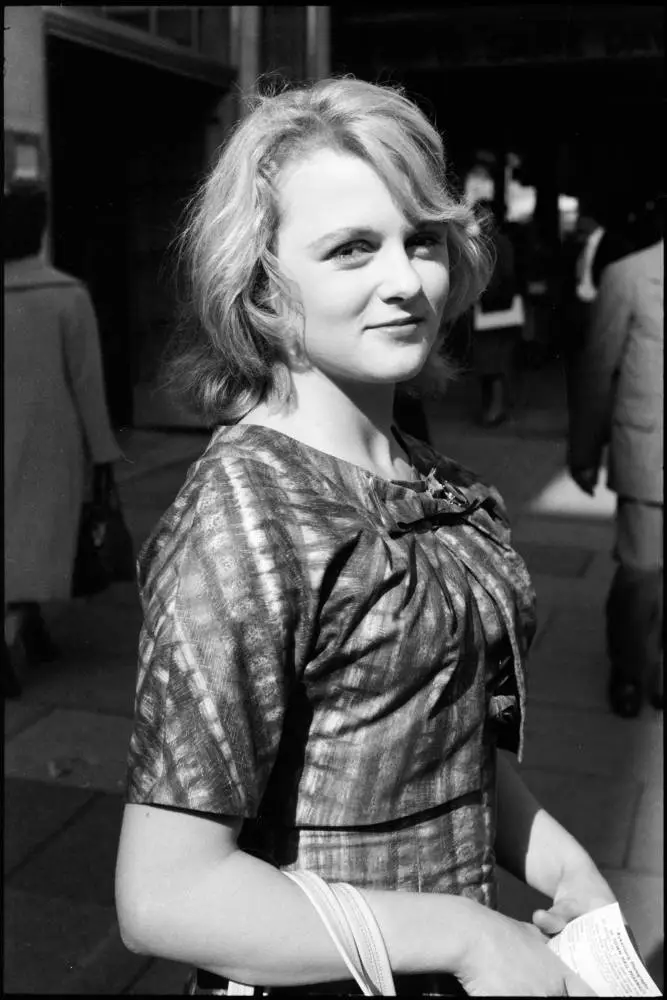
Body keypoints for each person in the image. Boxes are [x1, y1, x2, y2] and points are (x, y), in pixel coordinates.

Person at [115, 78, 616, 997]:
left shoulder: (443, 484)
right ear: (263, 283)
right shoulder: (245, 511)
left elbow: (453, 745)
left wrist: (558, 865)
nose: (405, 281)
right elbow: (164, 893)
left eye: (420, 240)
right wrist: (467, 935)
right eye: (351, 249)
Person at [3, 183, 123, 697]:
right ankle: (9, 636)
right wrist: (103, 451)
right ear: (41, 230)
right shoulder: (65, 296)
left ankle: (30, 631)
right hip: (48, 446)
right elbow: (87, 383)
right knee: (36, 540)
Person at [568, 230, 663, 719]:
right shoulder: (628, 276)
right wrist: (584, 450)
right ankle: (627, 664)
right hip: (649, 456)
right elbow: (598, 368)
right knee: (642, 575)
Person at [470, 200, 524, 427]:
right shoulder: (491, 242)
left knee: (495, 363)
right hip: (494, 307)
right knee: (492, 363)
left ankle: (497, 409)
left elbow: (504, 278)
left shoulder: (496, 243)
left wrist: (483, 296)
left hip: (496, 309)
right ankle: (495, 408)